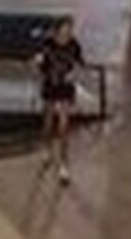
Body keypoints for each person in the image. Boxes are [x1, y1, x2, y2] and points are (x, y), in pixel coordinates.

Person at [33, 18, 88, 183]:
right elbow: (40, 65)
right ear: (57, 31)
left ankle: (64, 165)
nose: (67, 34)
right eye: (65, 31)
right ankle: (47, 148)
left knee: (64, 127)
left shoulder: (74, 45)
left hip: (66, 89)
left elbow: (80, 63)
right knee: (48, 122)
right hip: (50, 87)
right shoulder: (47, 44)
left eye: (70, 31)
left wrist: (74, 73)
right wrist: (38, 63)